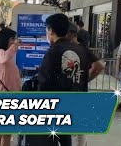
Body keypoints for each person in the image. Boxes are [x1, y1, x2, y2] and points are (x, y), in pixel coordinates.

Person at [36, 14, 91, 146]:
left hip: (55, 105)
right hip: (74, 100)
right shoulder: (79, 50)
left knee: (52, 139)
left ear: (51, 31)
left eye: (47, 30)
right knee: (66, 138)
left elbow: (44, 83)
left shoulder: (52, 52)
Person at [66, 22, 104, 146]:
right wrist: (86, 78)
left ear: (71, 34)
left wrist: (86, 78)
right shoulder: (83, 48)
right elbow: (99, 65)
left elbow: (99, 65)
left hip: (73, 92)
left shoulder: (74, 49)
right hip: (79, 91)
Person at [0, 28, 21, 146]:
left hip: (8, 96)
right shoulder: (0, 52)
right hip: (4, 97)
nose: (14, 41)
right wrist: (15, 46)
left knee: (2, 131)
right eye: (12, 39)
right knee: (6, 132)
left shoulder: (6, 54)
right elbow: (4, 58)